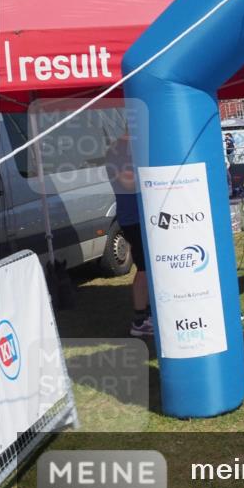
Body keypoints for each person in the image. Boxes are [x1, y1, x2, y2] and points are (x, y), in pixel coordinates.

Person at [103, 131, 152, 337]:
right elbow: (128, 182)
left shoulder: (130, 148)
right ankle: (140, 321)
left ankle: (148, 314)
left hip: (142, 217)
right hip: (134, 217)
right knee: (143, 268)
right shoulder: (119, 151)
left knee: (148, 268)